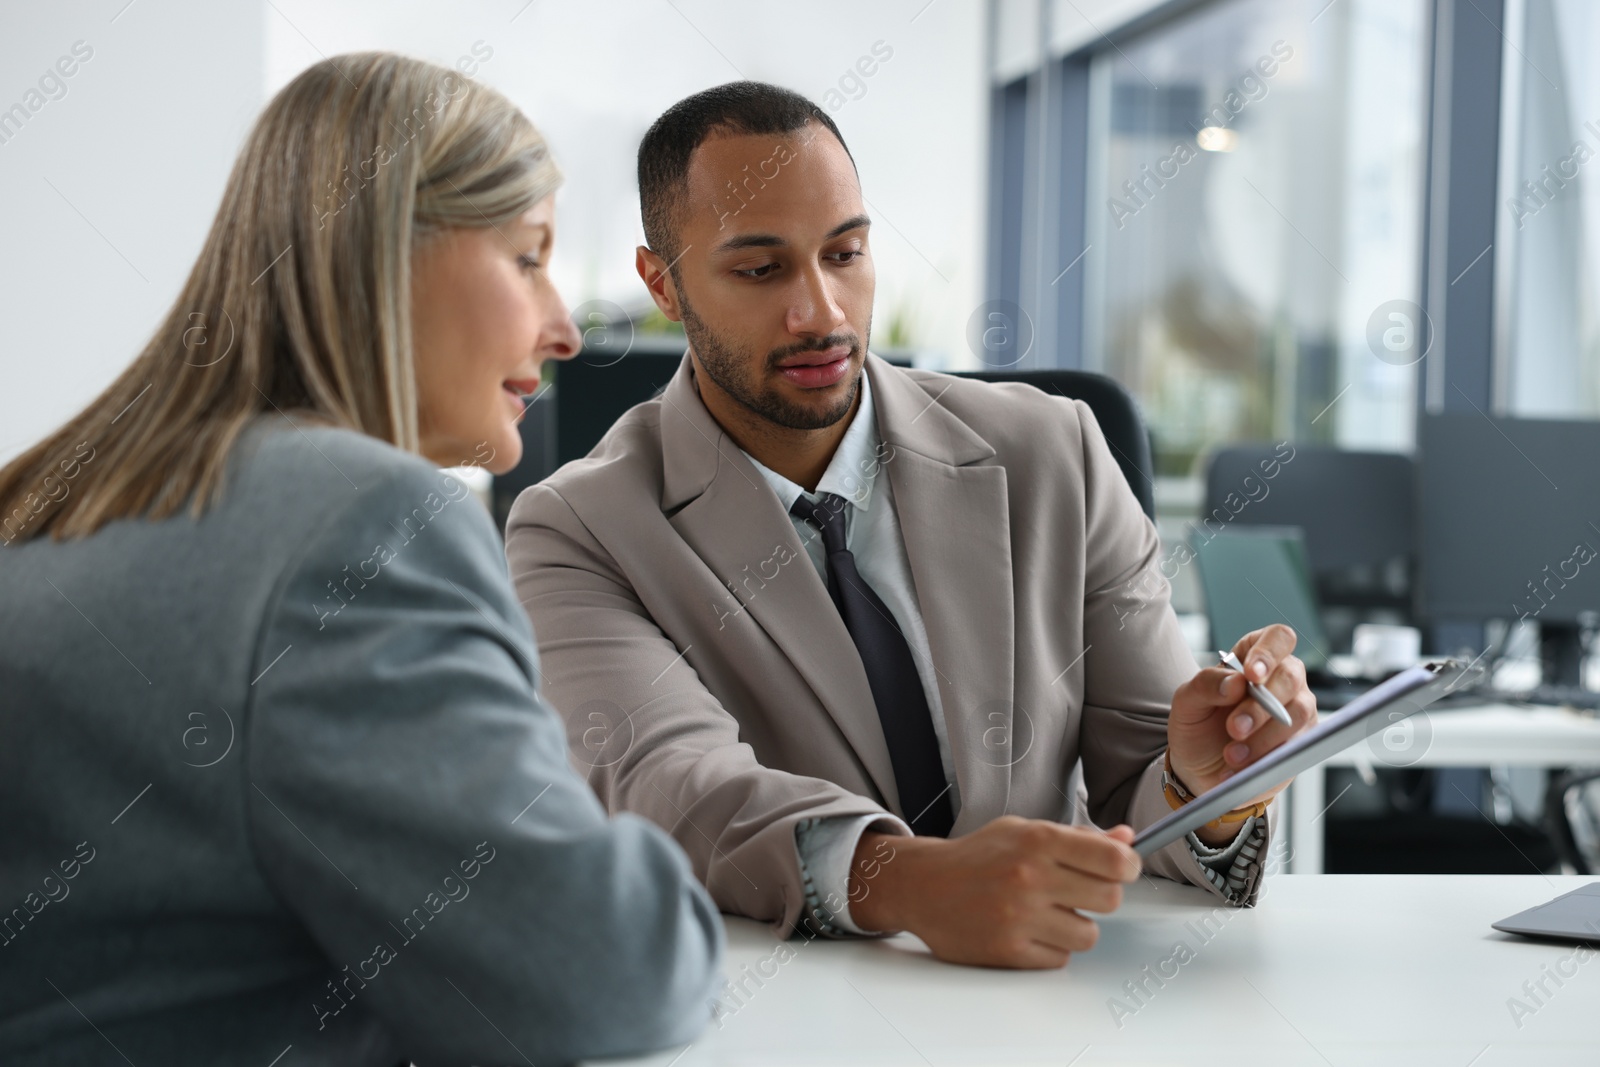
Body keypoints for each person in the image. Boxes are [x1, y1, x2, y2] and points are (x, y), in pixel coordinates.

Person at [0, 53, 721, 1065]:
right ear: (389, 253)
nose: (563, 327)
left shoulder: (49, 500)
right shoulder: (363, 524)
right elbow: (607, 975)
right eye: (529, 256)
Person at [505, 81, 1318, 970]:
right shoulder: (580, 528)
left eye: (844, 253)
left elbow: (1146, 805)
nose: (822, 312)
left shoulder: (1056, 452)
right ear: (663, 281)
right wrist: (911, 884)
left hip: (1049, 1003)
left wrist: (1207, 786)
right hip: (794, 1019)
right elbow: (678, 789)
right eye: (759, 268)